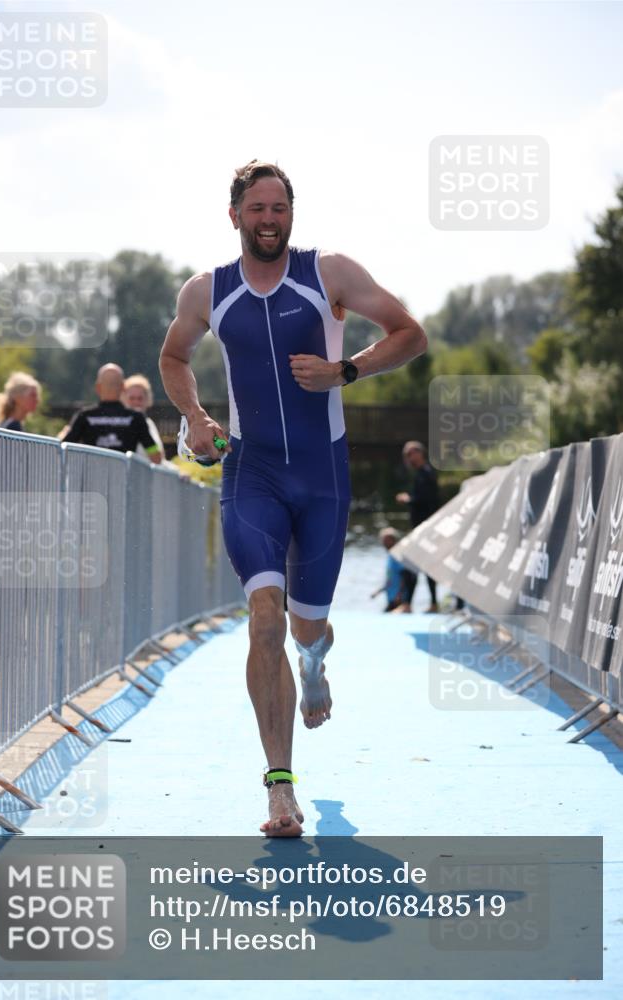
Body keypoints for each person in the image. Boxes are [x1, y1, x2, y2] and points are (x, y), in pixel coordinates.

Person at [159, 160, 426, 837]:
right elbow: (174, 357)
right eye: (257, 208)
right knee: (263, 619)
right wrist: (195, 416)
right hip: (252, 474)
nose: (269, 219)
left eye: (279, 208)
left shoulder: (327, 273)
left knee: (306, 628)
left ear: (291, 214)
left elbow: (409, 333)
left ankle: (313, 661)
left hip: (321, 478)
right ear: (234, 216)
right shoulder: (207, 290)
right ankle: (280, 788)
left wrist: (346, 370)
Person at [61, 364, 162, 464]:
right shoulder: (136, 418)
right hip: (125, 474)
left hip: (93, 473)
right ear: (123, 387)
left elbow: (62, 450)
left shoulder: (85, 416)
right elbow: (155, 455)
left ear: (97, 387)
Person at [395, 440, 440, 612]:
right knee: (422, 566)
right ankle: (429, 604)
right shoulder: (422, 473)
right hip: (421, 529)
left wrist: (408, 499)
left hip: (425, 529)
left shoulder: (426, 474)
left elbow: (427, 501)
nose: (408, 458)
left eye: (410, 454)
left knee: (412, 565)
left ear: (420, 453)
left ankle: (410, 604)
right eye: (406, 455)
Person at [122, 373, 166, 462]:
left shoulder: (149, 423)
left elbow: (159, 458)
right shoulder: (121, 424)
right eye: (132, 398)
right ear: (124, 399)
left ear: (147, 399)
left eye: (140, 398)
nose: (136, 402)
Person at [370, 527, 406, 612]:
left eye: (386, 540)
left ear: (393, 540)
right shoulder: (390, 556)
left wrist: (399, 594)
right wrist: (379, 591)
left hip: (398, 598)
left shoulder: (397, 556)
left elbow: (405, 575)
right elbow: (390, 579)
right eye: (383, 540)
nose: (384, 543)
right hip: (391, 597)